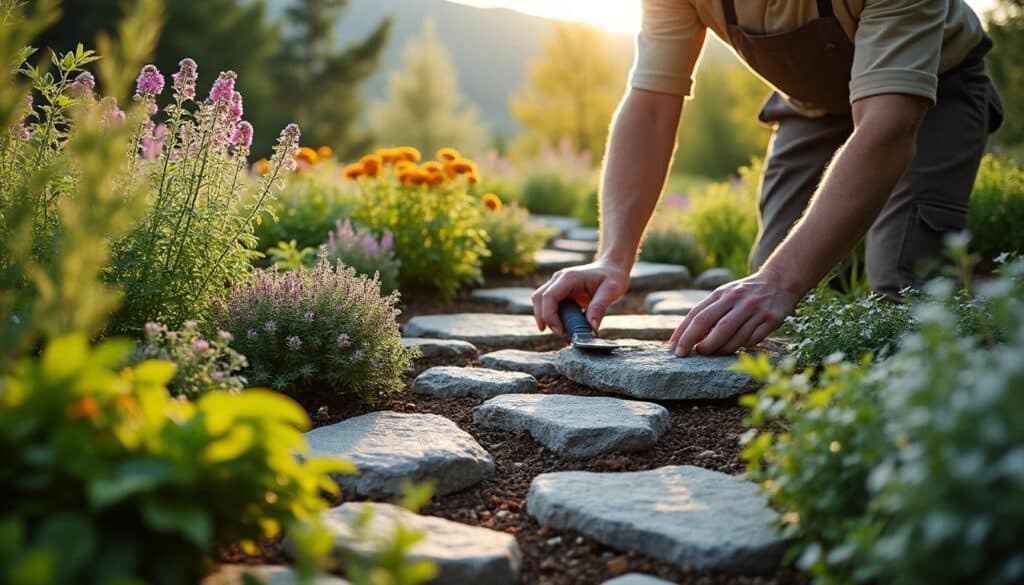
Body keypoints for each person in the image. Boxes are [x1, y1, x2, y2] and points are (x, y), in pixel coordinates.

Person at [531, 0, 1003, 356]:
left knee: (904, 289)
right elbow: (652, 105)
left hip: (932, 88)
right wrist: (613, 258)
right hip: (812, 105)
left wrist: (780, 282)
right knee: (769, 308)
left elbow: (888, 126)